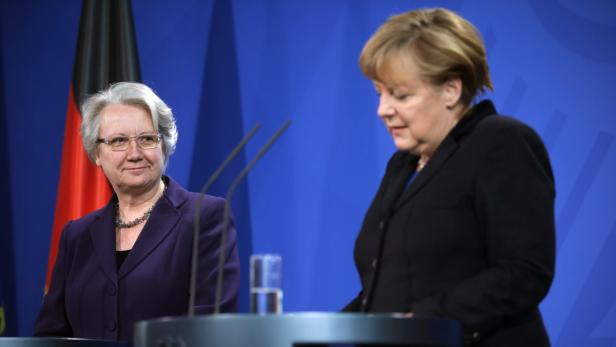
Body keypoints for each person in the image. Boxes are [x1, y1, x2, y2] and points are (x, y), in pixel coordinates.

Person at [343, 8, 555, 347]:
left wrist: (428, 321)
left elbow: (524, 271)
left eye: (400, 95)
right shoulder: (402, 165)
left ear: (451, 91)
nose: (383, 109)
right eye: (379, 93)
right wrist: (323, 332)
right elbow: (386, 292)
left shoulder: (500, 142)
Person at [34, 82, 240, 341]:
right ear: (97, 153)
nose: (134, 153)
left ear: (163, 146)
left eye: (146, 139)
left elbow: (210, 330)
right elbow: (49, 337)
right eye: (119, 141)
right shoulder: (76, 237)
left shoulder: (205, 218)